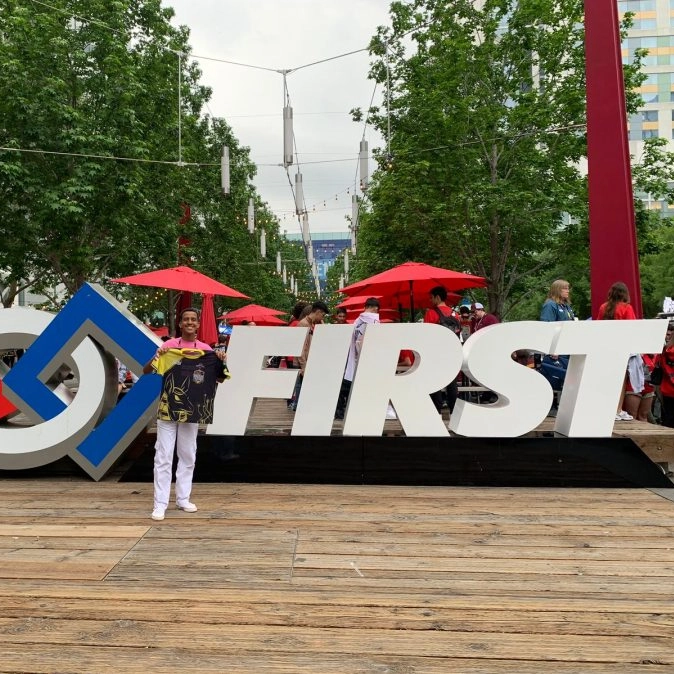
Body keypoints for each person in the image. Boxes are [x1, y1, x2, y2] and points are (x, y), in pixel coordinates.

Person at [143, 307, 227, 521]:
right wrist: (158, 355)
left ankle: (183, 498)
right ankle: (160, 504)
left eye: (193, 320)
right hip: (168, 408)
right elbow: (146, 371)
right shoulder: (169, 347)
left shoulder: (206, 350)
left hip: (193, 409)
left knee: (188, 454)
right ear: (180, 324)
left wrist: (220, 360)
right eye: (186, 319)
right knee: (163, 455)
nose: (190, 322)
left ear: (198, 324)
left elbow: (219, 379)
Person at [597, 282, 637, 421]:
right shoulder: (627, 308)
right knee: (621, 380)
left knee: (608, 379)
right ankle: (618, 409)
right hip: (621, 348)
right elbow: (632, 328)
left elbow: (598, 326)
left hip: (606, 348)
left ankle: (609, 409)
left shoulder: (603, 307)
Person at [335, 297, 380, 420]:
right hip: (367, 359)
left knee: (347, 385)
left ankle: (342, 411)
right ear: (376, 308)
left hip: (353, 358)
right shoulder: (375, 321)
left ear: (366, 307)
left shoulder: (357, 321)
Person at [539, 279, 575, 416]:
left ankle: (566, 408)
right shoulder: (550, 305)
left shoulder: (566, 306)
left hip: (568, 349)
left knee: (569, 378)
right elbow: (547, 328)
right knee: (556, 377)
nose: (567, 291)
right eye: (565, 288)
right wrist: (552, 348)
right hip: (557, 351)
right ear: (557, 290)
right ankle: (551, 406)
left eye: (568, 288)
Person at [424, 286, 460, 415]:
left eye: (431, 297)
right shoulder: (455, 314)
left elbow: (426, 335)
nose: (430, 300)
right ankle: (454, 412)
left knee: (434, 382)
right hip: (452, 353)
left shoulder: (431, 313)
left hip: (435, 354)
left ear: (437, 297)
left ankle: (436, 412)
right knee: (452, 383)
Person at [289, 301, 328, 411]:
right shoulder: (303, 324)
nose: (322, 317)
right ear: (318, 312)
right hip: (303, 363)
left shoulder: (311, 324)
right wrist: (304, 366)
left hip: (307, 361)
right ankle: (298, 408)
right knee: (301, 388)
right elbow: (301, 348)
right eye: (322, 315)